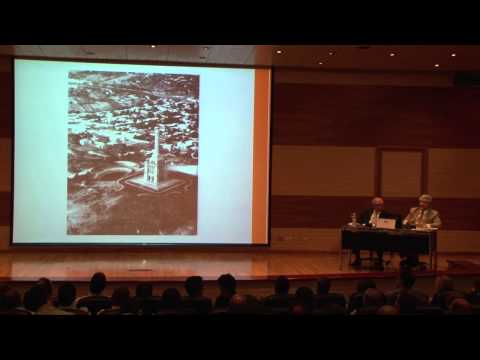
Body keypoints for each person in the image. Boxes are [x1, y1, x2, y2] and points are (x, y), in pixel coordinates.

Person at [352, 197, 400, 269]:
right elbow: (359, 222)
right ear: (373, 205)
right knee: (355, 238)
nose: (379, 206)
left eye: (381, 205)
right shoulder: (366, 213)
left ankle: (380, 260)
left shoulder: (386, 214)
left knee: (379, 240)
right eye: (377, 205)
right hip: (366, 234)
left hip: (379, 235)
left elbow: (390, 225)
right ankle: (357, 259)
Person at [401, 194, 442, 268]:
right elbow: (406, 220)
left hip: (423, 236)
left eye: (424, 202)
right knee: (403, 240)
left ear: (429, 204)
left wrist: (426, 225)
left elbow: (438, 224)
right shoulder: (413, 210)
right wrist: (406, 222)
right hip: (412, 233)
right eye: (420, 202)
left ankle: (412, 261)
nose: (421, 204)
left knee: (413, 243)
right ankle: (410, 260)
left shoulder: (434, 213)